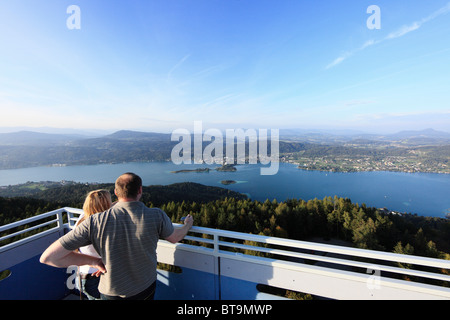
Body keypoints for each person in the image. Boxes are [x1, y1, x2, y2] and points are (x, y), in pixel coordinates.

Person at [40, 172, 194, 300]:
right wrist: (187, 224)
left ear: (115, 192)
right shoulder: (156, 215)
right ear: (140, 190)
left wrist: (95, 262)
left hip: (112, 292)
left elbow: (48, 257)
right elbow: (175, 237)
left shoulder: (94, 221)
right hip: (145, 287)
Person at [74, 189, 112, 300]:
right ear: (105, 205)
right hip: (94, 279)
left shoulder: (83, 219)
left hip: (83, 277)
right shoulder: (100, 228)